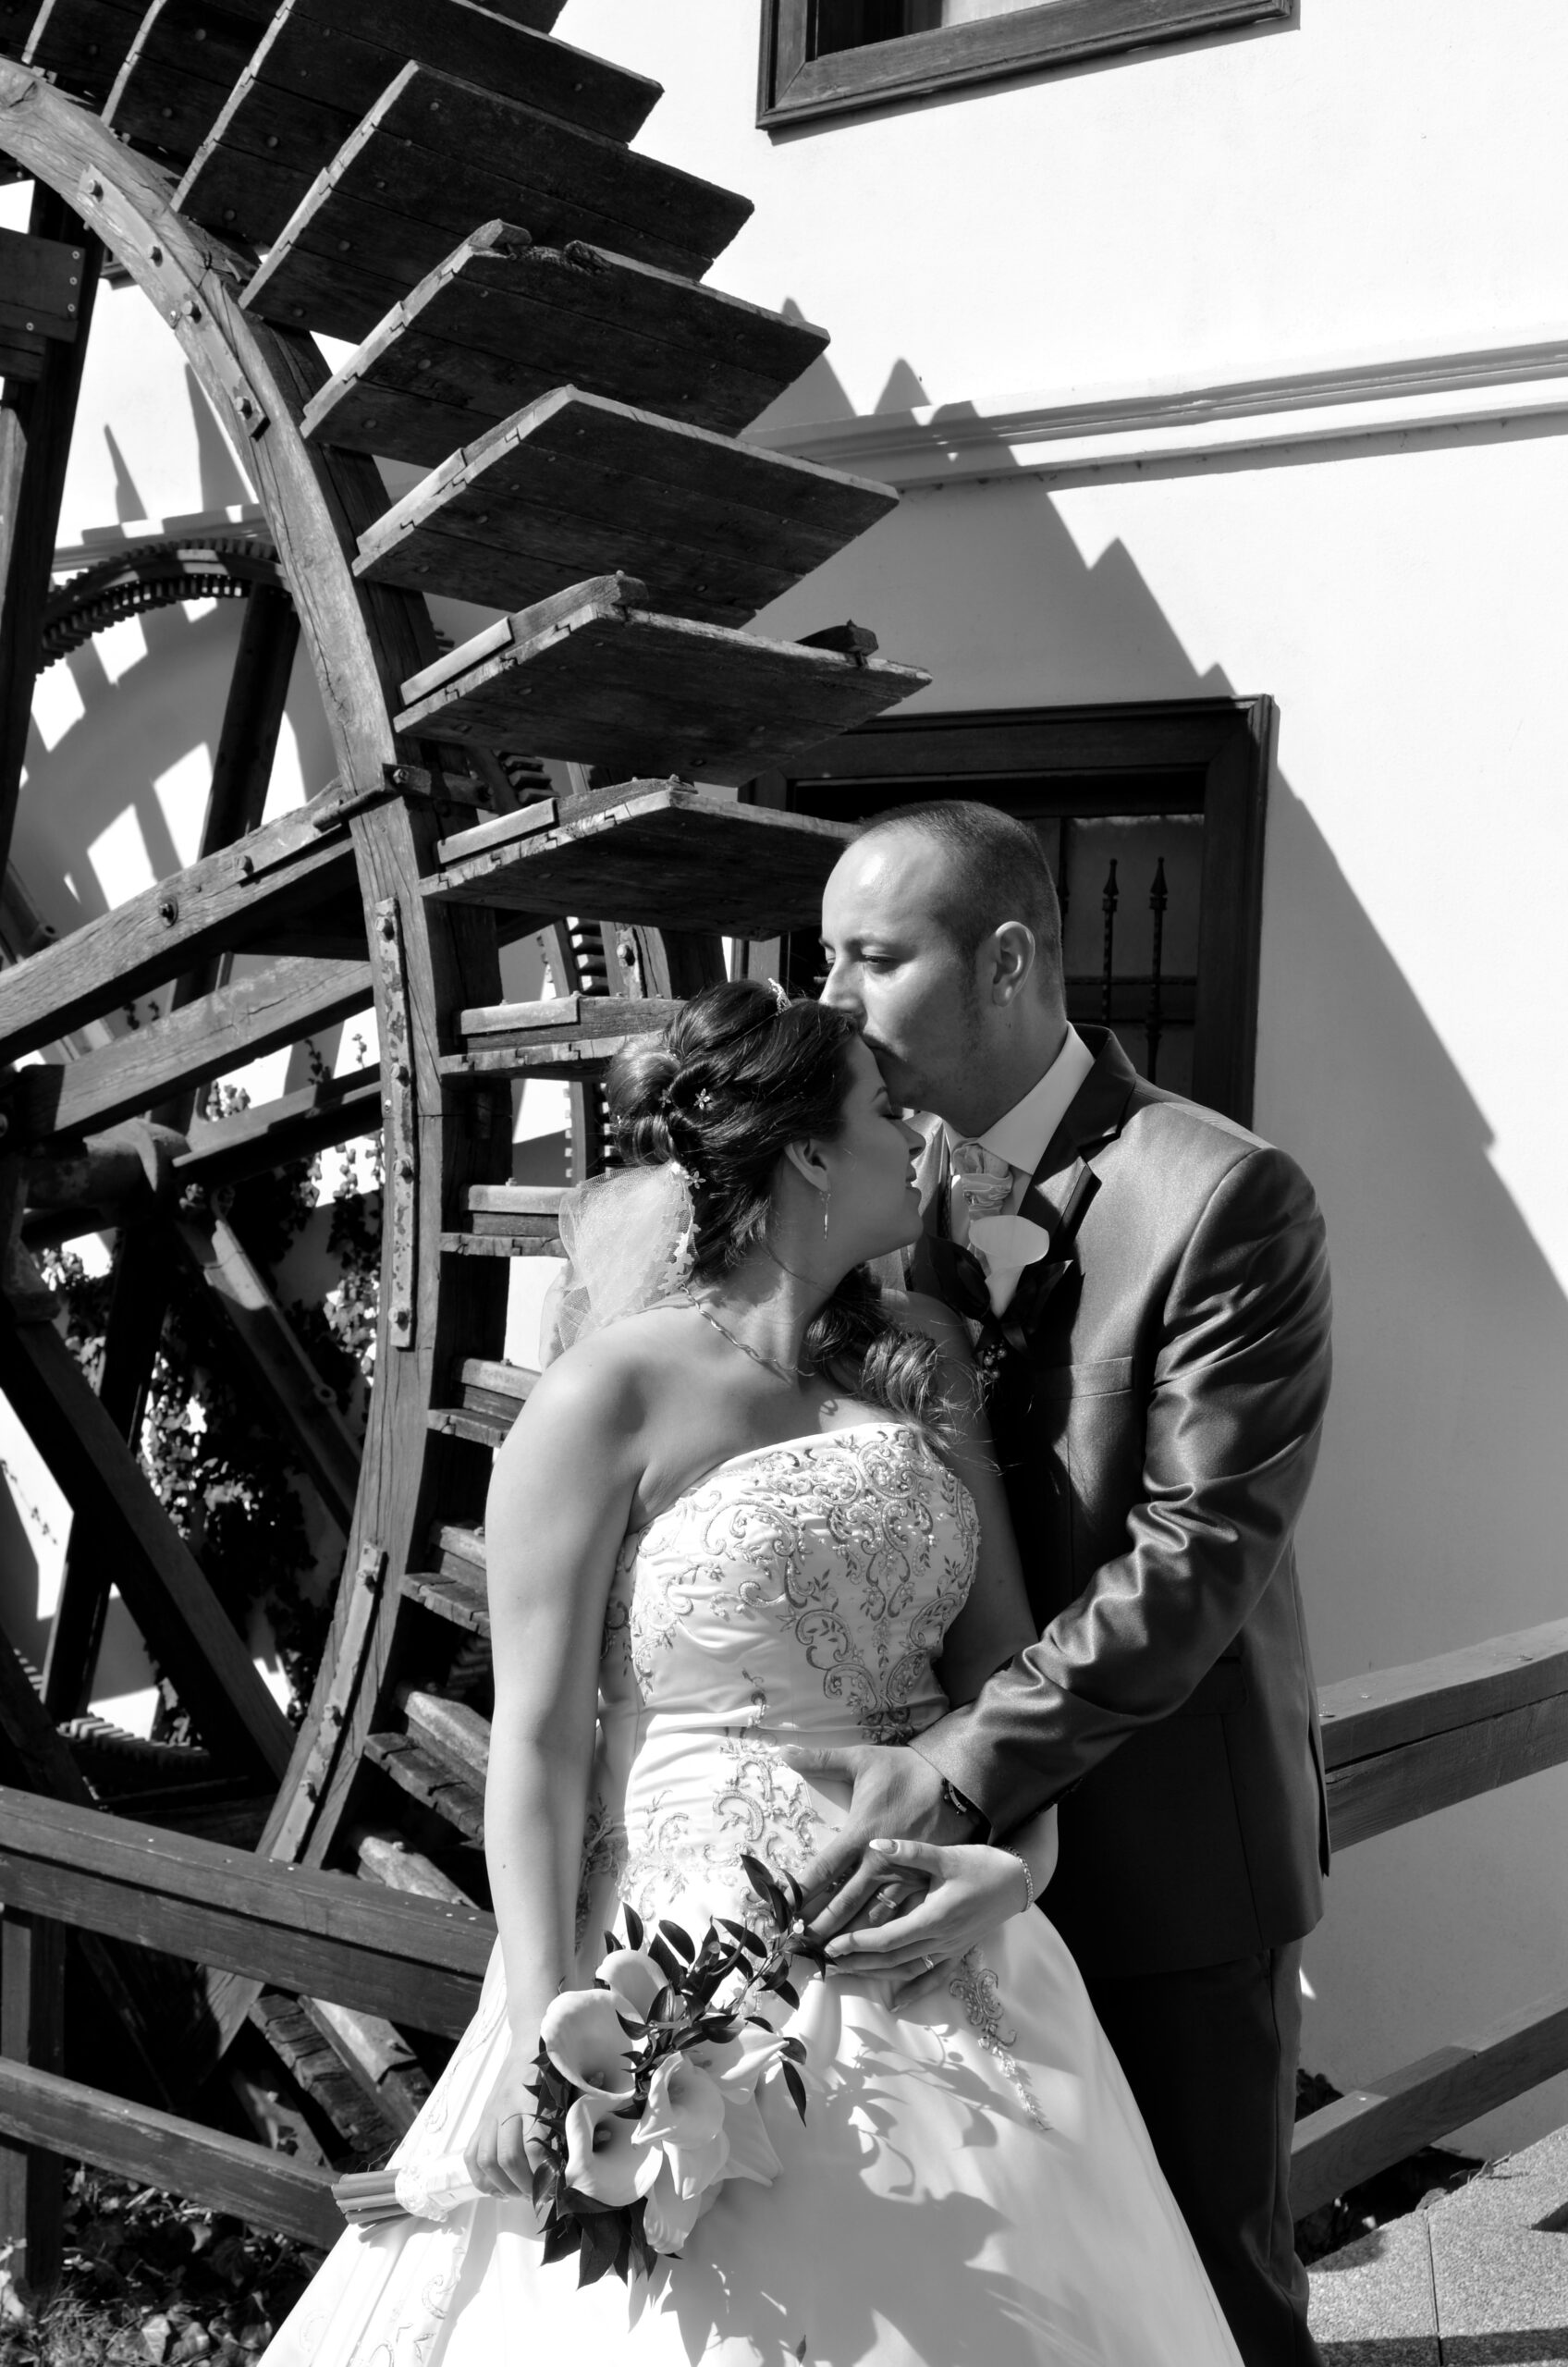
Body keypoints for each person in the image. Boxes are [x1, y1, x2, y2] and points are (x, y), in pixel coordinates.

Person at [263, 978, 1243, 2367]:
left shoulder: (926, 1358)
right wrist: (550, 2029)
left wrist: (1017, 1870)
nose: (923, 1136)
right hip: (688, 1953)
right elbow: (537, 1743)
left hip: (953, 1934)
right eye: (887, 1111)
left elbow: (1000, 1680)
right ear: (809, 1155)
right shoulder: (604, 1399)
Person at [796, 803, 1332, 2367]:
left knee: (1209, 2306)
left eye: (872, 957)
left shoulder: (1227, 1194)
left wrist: (964, 1769)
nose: (832, 998)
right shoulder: (878, 1188)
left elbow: (1198, 1550)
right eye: (825, 958)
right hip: (932, 1876)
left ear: (1009, 961)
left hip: (1167, 1859)